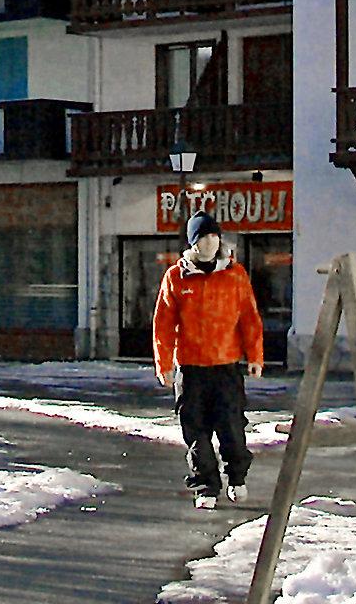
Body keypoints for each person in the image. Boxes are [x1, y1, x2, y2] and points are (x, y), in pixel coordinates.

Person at [152, 211, 265, 510]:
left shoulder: (235, 275)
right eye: (203, 237)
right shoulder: (176, 277)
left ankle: (237, 478)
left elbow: (250, 318)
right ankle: (206, 486)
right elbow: (163, 323)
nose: (211, 242)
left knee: (232, 427)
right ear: (193, 243)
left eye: (214, 236)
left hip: (226, 365)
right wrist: (163, 362)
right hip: (190, 369)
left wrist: (255, 356)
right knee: (195, 432)